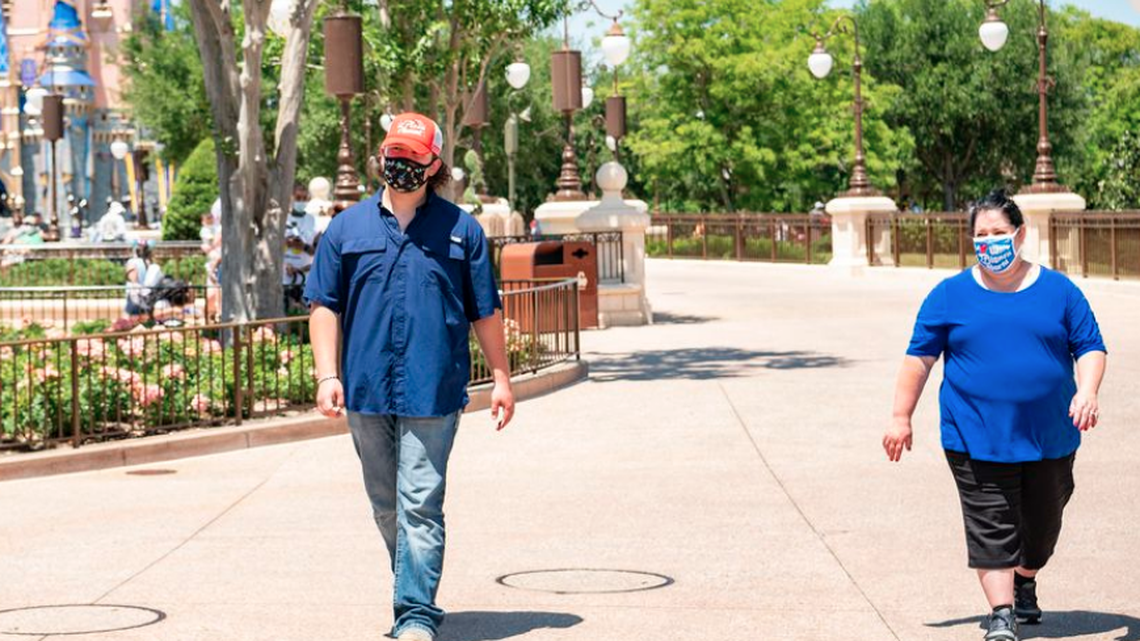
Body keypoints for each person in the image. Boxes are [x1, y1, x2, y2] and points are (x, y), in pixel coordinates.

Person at [304, 112, 515, 641]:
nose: (399, 165)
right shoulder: (345, 230)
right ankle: (412, 587)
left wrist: (502, 378)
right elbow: (324, 306)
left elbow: (484, 311)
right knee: (384, 502)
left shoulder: (462, 231)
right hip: (366, 388)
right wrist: (326, 375)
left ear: (434, 165)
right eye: (392, 154)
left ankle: (416, 613)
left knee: (420, 499)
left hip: (434, 387)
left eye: (411, 158)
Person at [884, 189, 1107, 641]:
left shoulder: (1059, 291)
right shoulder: (949, 296)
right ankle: (1001, 614)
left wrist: (1087, 391)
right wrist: (900, 416)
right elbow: (919, 360)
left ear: (1020, 234)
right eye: (981, 235)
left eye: (999, 233)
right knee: (991, 522)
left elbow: (1090, 347)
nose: (990, 242)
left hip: (1049, 435)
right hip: (974, 434)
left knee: (1042, 526)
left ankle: (1025, 578)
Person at [125, 239, 164, 318]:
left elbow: (134, 282)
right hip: (147, 296)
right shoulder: (149, 263)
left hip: (135, 296)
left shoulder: (132, 262)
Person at [282, 224, 312, 310]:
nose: (291, 241)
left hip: (302, 284)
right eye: (289, 238)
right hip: (283, 284)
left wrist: (299, 270)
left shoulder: (303, 243)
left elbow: (314, 255)